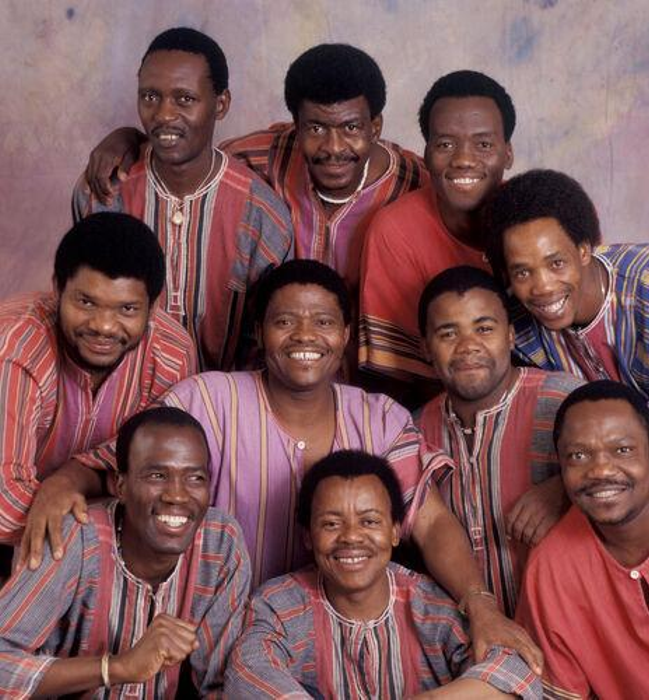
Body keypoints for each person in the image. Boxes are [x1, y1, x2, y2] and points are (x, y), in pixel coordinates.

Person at [25, 260, 543, 672]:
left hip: (329, 635)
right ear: (260, 333)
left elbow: (428, 522)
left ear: (344, 336)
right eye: (284, 320)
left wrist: (481, 606)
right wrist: (61, 481)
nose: (303, 336)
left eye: (322, 322)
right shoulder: (206, 399)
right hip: (201, 634)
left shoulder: (379, 417)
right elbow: (119, 464)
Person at [82, 42, 426, 296]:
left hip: (374, 378)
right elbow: (185, 154)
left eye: (351, 128)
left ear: (375, 126)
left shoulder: (414, 184)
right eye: (316, 128)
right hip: (275, 367)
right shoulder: (259, 158)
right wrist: (128, 140)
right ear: (296, 124)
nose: (333, 148)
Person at [227, 450, 541, 699]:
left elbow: (515, 671)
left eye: (369, 522)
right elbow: (249, 672)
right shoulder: (278, 604)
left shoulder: (428, 604)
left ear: (395, 531)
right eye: (331, 524)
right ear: (308, 536)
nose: (351, 537)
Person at [73, 27, 293, 371]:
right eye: (149, 97)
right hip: (117, 399)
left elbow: (266, 344)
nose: (162, 115)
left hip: (222, 408)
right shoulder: (104, 193)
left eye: (184, 99)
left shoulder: (262, 213)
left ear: (221, 104)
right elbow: (82, 309)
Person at [0, 406, 251, 698]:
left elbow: (223, 682)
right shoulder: (75, 538)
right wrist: (118, 668)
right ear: (121, 486)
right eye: (157, 475)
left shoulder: (220, 542)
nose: (177, 495)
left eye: (195, 478)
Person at [0, 212, 195, 550]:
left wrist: (71, 478)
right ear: (57, 288)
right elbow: (3, 504)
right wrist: (90, 498)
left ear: (153, 306)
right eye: (86, 302)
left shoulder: (172, 355)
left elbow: (149, 469)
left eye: (127, 309)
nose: (104, 326)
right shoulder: (15, 345)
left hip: (89, 549)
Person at [484, 168, 649, 462]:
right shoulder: (518, 329)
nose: (543, 287)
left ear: (584, 250)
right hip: (619, 475)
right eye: (522, 272)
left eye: (556, 263)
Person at [416, 266, 583, 617]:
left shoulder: (565, 400)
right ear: (426, 347)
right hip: (468, 638)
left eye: (484, 328)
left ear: (509, 336)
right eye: (448, 334)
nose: (468, 346)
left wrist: (567, 487)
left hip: (569, 627)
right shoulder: (413, 432)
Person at [517, 380, 649, 699]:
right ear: (560, 465)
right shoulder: (550, 570)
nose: (600, 469)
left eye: (623, 450)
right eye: (578, 455)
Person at [359, 71, 514, 405]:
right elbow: (394, 377)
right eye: (445, 144)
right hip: (437, 409)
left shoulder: (539, 219)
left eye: (483, 144)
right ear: (426, 154)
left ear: (508, 154)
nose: (463, 160)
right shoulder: (395, 230)